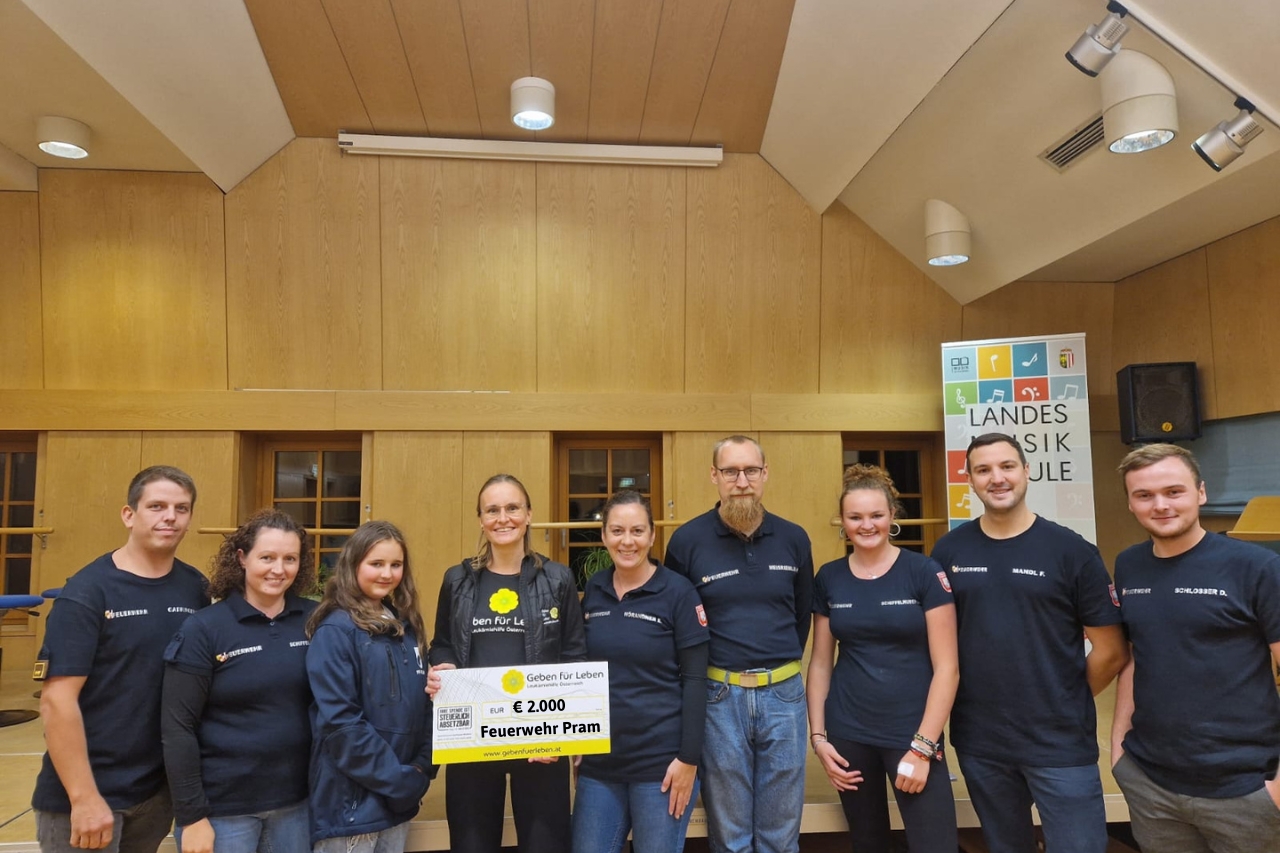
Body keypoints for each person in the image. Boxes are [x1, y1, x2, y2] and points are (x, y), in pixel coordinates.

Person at [930, 433, 1128, 853]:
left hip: (1059, 741)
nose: (997, 478)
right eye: (983, 470)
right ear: (969, 479)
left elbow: (1111, 650)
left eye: (1007, 466)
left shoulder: (1071, 551)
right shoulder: (949, 551)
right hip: (981, 740)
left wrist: (1063, 696)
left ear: (1026, 471)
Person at [1110, 443, 1280, 853]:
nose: (1160, 505)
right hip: (1151, 783)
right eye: (1144, 495)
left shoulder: (1257, 567)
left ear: (1201, 492)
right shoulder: (1129, 565)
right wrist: (1119, 748)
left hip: (1245, 789)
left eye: (1174, 491)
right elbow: (1136, 656)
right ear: (1130, 503)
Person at [33, 466, 210, 853]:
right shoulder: (87, 592)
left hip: (154, 796)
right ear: (129, 515)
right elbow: (56, 701)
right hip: (87, 798)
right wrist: (83, 798)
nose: (170, 517)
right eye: (157, 506)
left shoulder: (195, 587)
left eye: (181, 508)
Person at [664, 435, 813, 853]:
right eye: (731, 471)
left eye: (751, 470)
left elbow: (801, 617)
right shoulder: (687, 542)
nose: (741, 481)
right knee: (730, 837)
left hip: (784, 696)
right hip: (718, 698)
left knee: (781, 835)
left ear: (765, 474)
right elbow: (679, 626)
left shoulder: (794, 538)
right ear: (714, 476)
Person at [427, 474, 585, 853]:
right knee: (472, 844)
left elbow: (574, 656)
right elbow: (442, 644)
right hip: (473, 739)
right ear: (481, 519)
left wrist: (564, 733)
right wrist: (442, 668)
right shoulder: (457, 580)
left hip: (541, 739)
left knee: (546, 844)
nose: (503, 518)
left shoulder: (558, 579)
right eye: (492, 510)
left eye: (512, 508)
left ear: (528, 514)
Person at [807, 464, 959, 853]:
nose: (866, 525)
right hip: (848, 734)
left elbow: (948, 668)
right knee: (868, 842)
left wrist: (923, 746)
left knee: (935, 844)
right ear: (842, 522)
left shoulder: (924, 572)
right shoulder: (829, 577)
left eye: (876, 515)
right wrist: (819, 738)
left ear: (892, 515)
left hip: (912, 733)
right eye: (855, 517)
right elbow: (821, 663)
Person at [160, 509, 318, 853]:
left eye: (290, 559)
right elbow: (177, 727)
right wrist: (192, 816)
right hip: (224, 812)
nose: (279, 569)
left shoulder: (314, 621)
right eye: (267, 557)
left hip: (297, 806)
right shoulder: (205, 628)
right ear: (242, 558)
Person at [572, 490, 710, 853]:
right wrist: (575, 736)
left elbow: (696, 680)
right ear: (604, 536)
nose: (627, 541)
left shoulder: (678, 592)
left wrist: (689, 759)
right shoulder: (594, 591)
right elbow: (581, 671)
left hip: (661, 767)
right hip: (600, 766)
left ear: (651, 535)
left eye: (637, 531)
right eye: (617, 531)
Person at [306, 520, 433, 853]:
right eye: (376, 564)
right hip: (351, 810)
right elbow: (341, 724)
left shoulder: (406, 626)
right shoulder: (336, 630)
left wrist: (422, 767)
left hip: (399, 804)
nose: (387, 574)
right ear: (353, 565)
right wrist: (399, 781)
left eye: (395, 565)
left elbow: (424, 707)